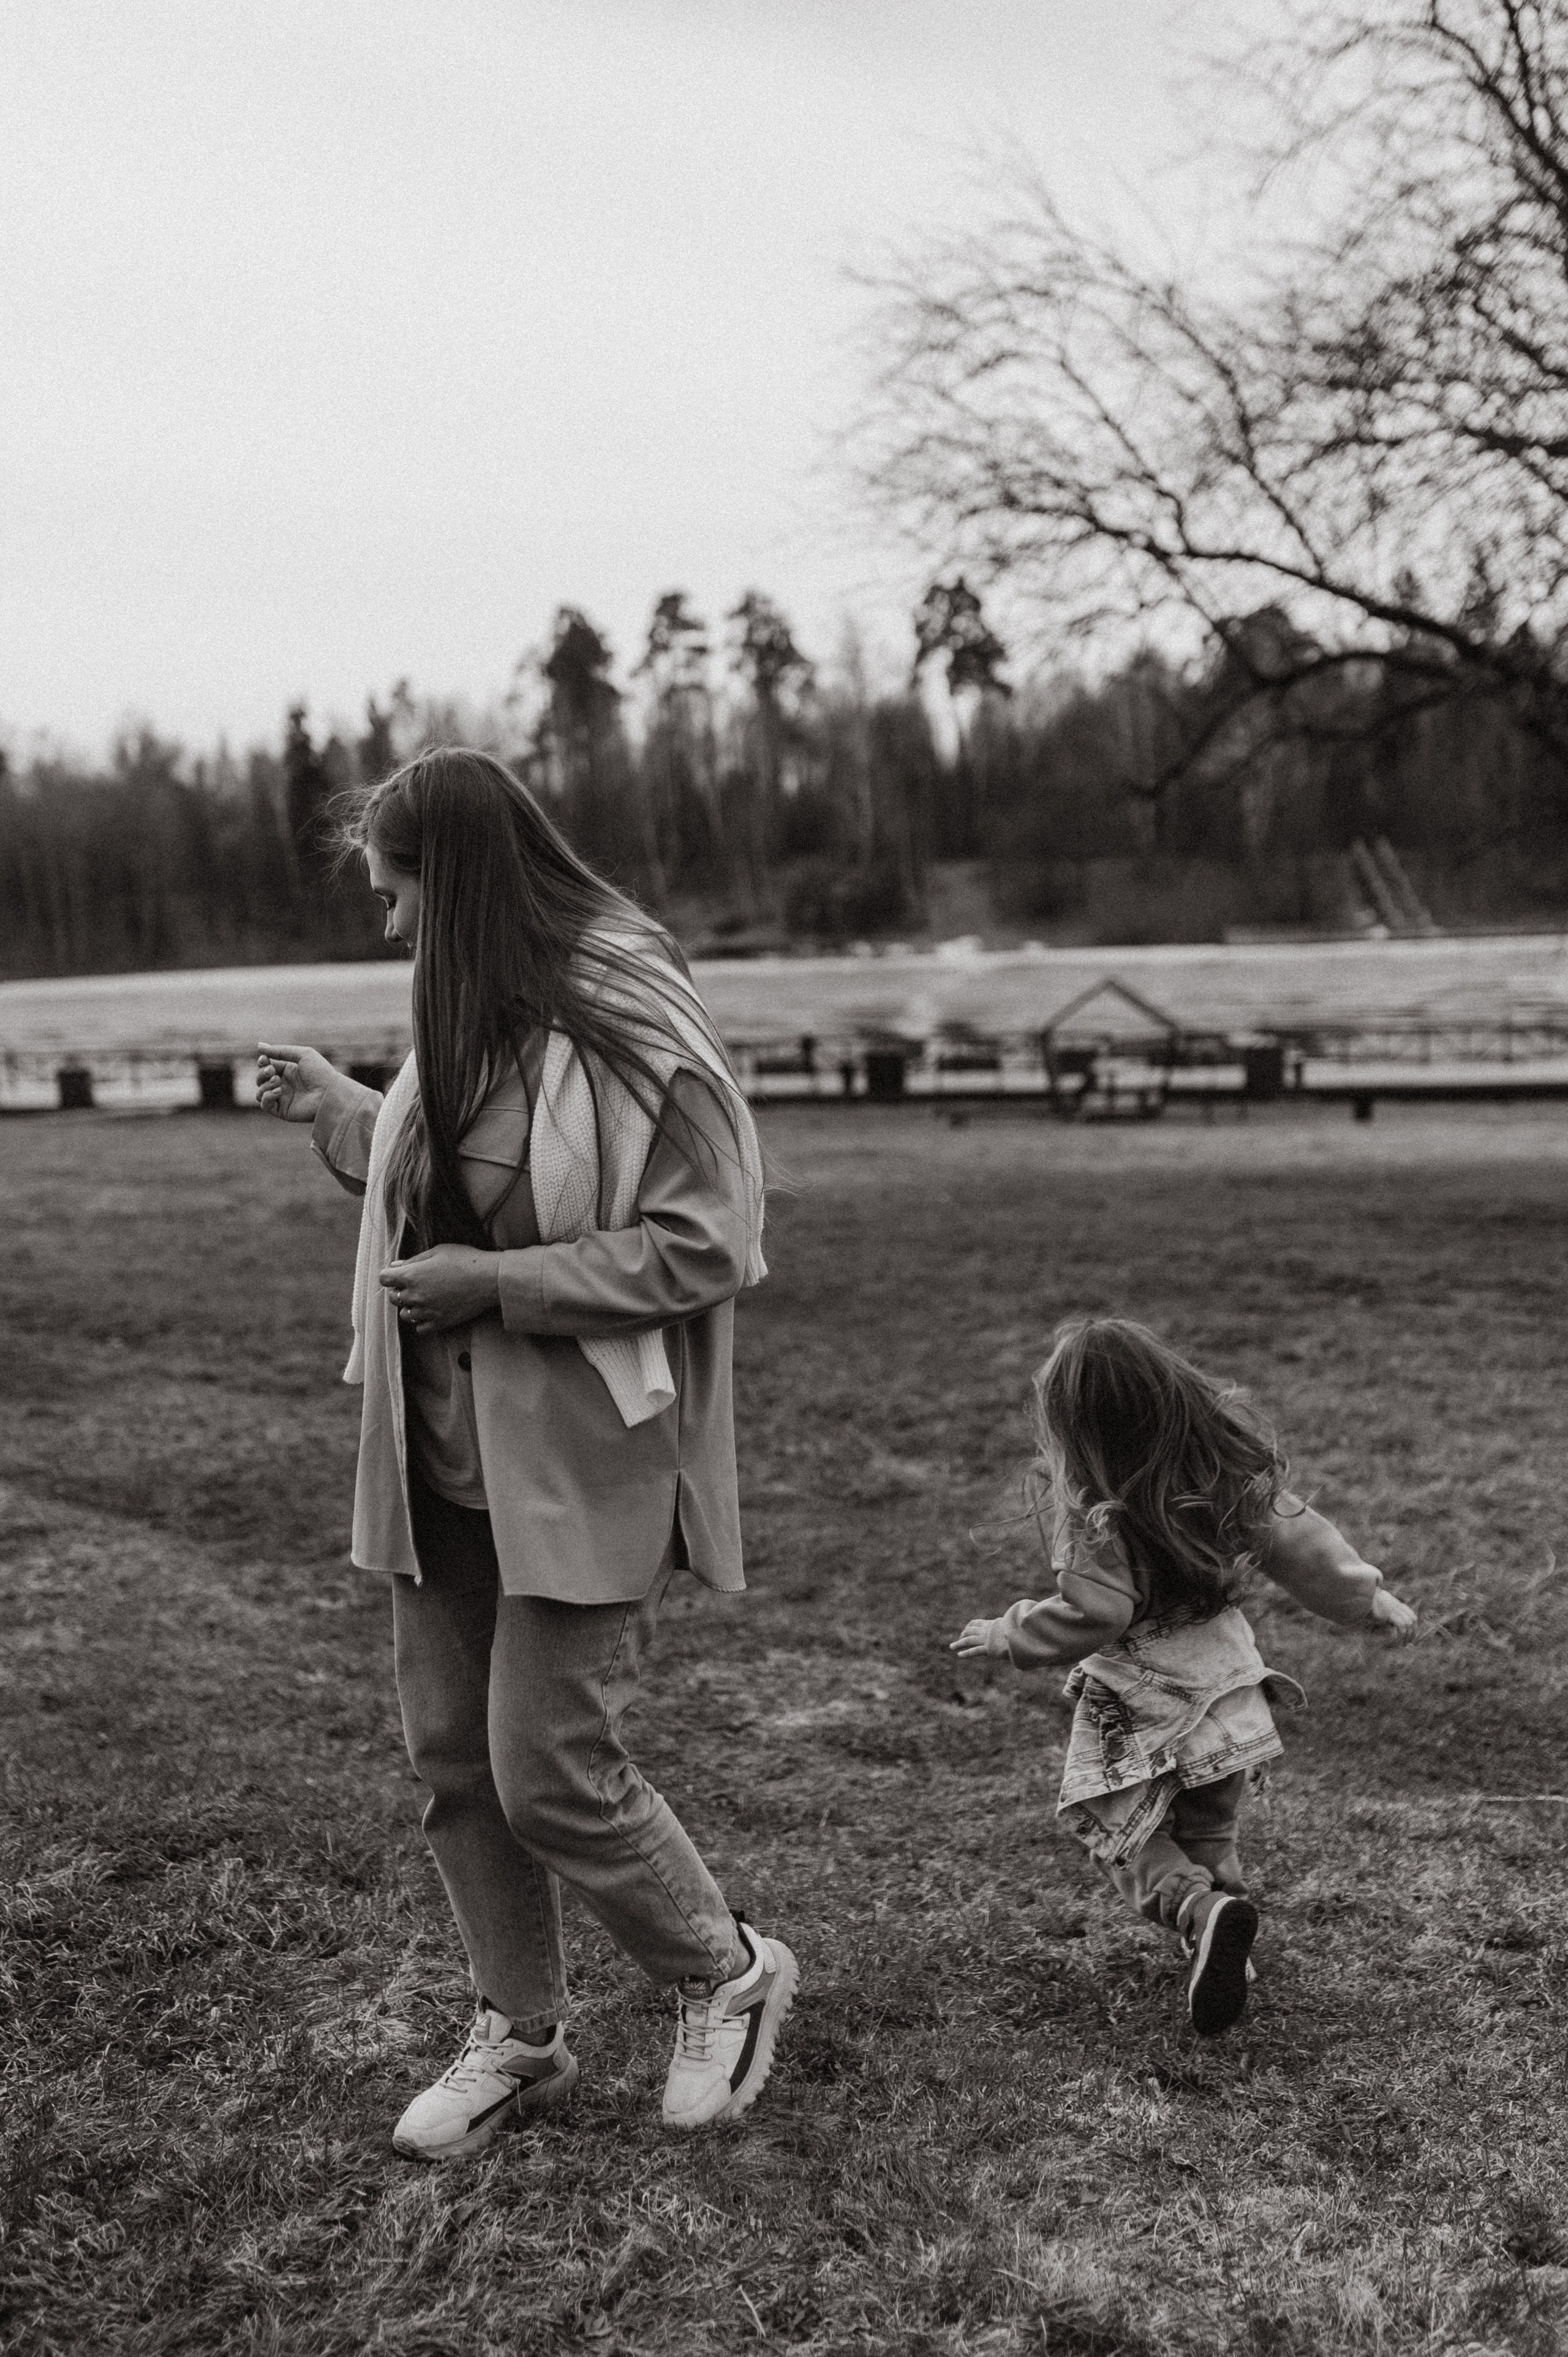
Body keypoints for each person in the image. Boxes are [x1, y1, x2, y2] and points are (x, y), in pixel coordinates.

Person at [256, 745, 796, 2159]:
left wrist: (501, 1292)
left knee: (547, 1759)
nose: (391, 926)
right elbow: (464, 1190)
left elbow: (708, 1239)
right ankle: (518, 2033)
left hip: (577, 1443)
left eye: (402, 897)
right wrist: (341, 1108)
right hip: (434, 1445)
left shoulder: (628, 1011)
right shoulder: (463, 1011)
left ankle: (722, 1973)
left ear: (471, 884)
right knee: (452, 1754)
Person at [952, 1317, 1417, 2036]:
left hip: (1147, 1700)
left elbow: (1096, 1612)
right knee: (1207, 1825)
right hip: (1230, 1687)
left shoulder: (1094, 1512)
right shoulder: (1222, 1478)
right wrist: (1367, 1599)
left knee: (1120, 1830)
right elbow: (1304, 1549)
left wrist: (1006, 1631)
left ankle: (1200, 1914)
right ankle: (1225, 1923)